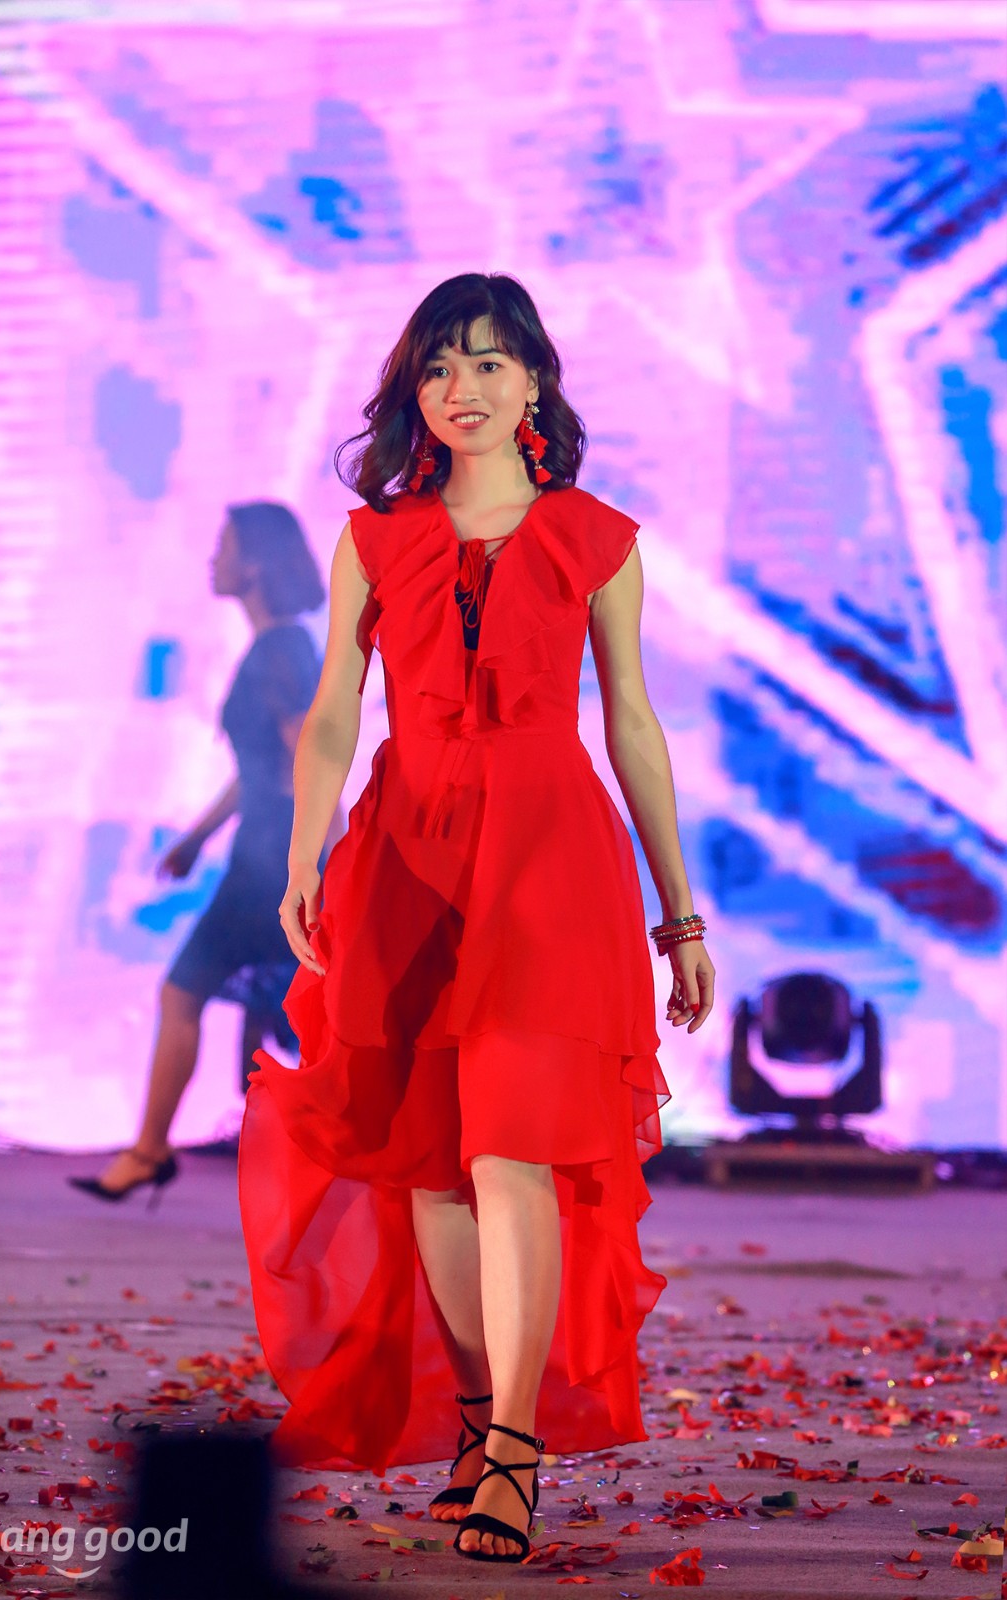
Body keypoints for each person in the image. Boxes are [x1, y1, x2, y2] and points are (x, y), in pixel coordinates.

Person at [239, 274, 716, 1566]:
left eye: (491, 363)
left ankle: (514, 1444)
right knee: (435, 1163)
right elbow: (333, 708)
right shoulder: (374, 537)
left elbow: (632, 723)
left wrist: (679, 917)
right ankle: (474, 1417)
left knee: (513, 1151)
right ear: (416, 387)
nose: (465, 389)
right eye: (442, 366)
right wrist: (304, 852)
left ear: (535, 382)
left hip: (549, 860)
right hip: (405, 855)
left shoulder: (595, 538)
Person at [71, 502, 340, 1203]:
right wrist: (197, 838)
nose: (212, 559)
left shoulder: (281, 651)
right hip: (265, 850)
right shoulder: (273, 648)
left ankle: (151, 1150)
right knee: (280, 1008)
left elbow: (308, 760)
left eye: (224, 546)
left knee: (189, 990)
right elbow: (260, 768)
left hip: (274, 859)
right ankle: (175, 1149)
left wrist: (328, 855)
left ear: (255, 563)